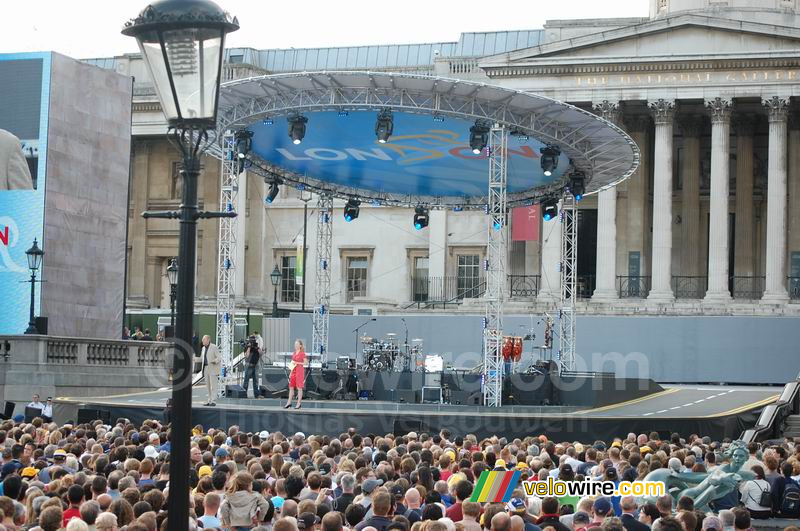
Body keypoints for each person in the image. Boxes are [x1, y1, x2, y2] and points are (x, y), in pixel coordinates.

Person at [284, 339, 307, 409]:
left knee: (299, 388)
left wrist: (298, 363)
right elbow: (292, 363)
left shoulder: (302, 353)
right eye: (295, 344)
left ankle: (299, 403)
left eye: (297, 344)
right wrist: (291, 372)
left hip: (300, 371)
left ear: (300, 345)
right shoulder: (294, 353)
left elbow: (306, 363)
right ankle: (289, 402)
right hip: (294, 371)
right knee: (291, 387)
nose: (295, 346)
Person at [199, 335, 221, 406]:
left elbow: (219, 357)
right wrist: (195, 359)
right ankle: (209, 400)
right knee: (208, 385)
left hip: (212, 367)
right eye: (202, 340)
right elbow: (201, 358)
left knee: (213, 385)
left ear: (208, 340)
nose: (202, 341)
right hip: (205, 368)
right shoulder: (203, 348)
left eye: (204, 340)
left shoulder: (214, 347)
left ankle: (213, 401)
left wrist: (215, 361)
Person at [243, 335, 262, 399]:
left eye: (253, 340)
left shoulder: (256, 346)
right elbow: (246, 356)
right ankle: (244, 394)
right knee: (246, 380)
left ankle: (257, 394)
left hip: (256, 365)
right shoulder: (247, 347)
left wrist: (257, 348)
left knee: (256, 380)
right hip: (249, 365)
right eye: (251, 340)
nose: (252, 342)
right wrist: (249, 347)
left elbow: (261, 354)